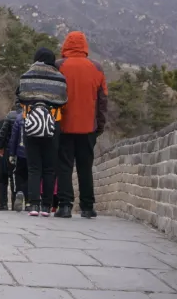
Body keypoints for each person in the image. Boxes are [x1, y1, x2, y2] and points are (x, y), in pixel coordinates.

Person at [55, 31, 107, 219]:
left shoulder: (59, 66)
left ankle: (65, 205)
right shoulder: (97, 68)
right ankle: (87, 206)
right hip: (88, 127)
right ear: (85, 46)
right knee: (85, 167)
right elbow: (102, 101)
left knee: (64, 166)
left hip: (64, 126)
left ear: (66, 45)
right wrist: (99, 125)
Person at [17, 47, 68, 217]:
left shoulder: (26, 76)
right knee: (49, 167)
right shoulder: (60, 78)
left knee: (33, 167)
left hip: (31, 123)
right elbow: (63, 101)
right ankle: (46, 206)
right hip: (53, 124)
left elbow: (20, 97)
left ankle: (33, 204)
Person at [0, 104, 18, 210]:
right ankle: (15, 203)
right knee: (14, 179)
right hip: (15, 155)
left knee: (2, 179)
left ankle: (3, 204)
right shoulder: (22, 122)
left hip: (2, 153)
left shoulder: (1, 123)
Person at [7, 110, 28, 212]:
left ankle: (19, 191)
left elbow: (13, 138)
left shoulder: (19, 118)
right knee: (33, 176)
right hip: (35, 154)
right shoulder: (43, 114)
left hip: (21, 153)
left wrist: (11, 154)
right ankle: (30, 202)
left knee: (19, 174)